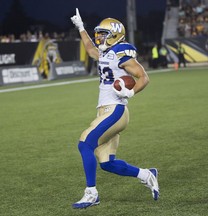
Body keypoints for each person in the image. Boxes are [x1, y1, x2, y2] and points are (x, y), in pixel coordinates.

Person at [70, 8, 159, 209]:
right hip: (105, 110)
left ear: (115, 34)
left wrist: (131, 92)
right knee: (107, 163)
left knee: (85, 144)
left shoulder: (121, 51)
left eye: (103, 34)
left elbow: (143, 76)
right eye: (99, 34)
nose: (99, 38)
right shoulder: (106, 52)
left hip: (116, 110)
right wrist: (81, 27)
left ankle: (91, 193)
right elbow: (91, 50)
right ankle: (147, 174)